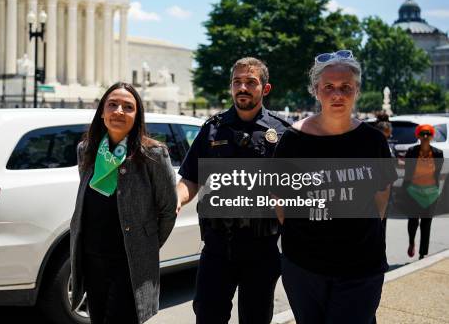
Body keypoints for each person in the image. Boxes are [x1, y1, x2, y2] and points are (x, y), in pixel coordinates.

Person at [272, 50, 397, 324]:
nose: (337, 94)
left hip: (361, 266)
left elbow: (382, 197)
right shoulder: (293, 140)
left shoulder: (372, 141)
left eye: (345, 87)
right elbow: (279, 199)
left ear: (357, 91)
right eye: (329, 87)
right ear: (316, 90)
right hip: (303, 267)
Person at [176, 57, 291, 324]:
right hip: (217, 247)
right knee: (207, 316)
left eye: (251, 82)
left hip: (261, 249)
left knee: (256, 318)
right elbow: (190, 179)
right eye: (237, 82)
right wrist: (177, 198)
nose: (243, 87)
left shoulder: (283, 133)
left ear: (265, 88)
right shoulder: (212, 129)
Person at [69, 82, 177, 324]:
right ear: (102, 112)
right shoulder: (86, 149)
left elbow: (168, 210)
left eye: (128, 107)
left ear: (137, 116)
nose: (119, 111)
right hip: (91, 258)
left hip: (129, 263)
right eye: (112, 104)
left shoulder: (154, 155)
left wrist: (145, 244)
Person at [402, 124, 443, 260]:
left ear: (432, 136)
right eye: (423, 134)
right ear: (418, 136)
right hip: (413, 191)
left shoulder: (438, 154)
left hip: (431, 194)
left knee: (426, 224)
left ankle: (422, 253)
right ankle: (411, 242)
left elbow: (437, 173)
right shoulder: (412, 151)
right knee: (413, 221)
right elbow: (407, 172)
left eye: (428, 134)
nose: (425, 137)